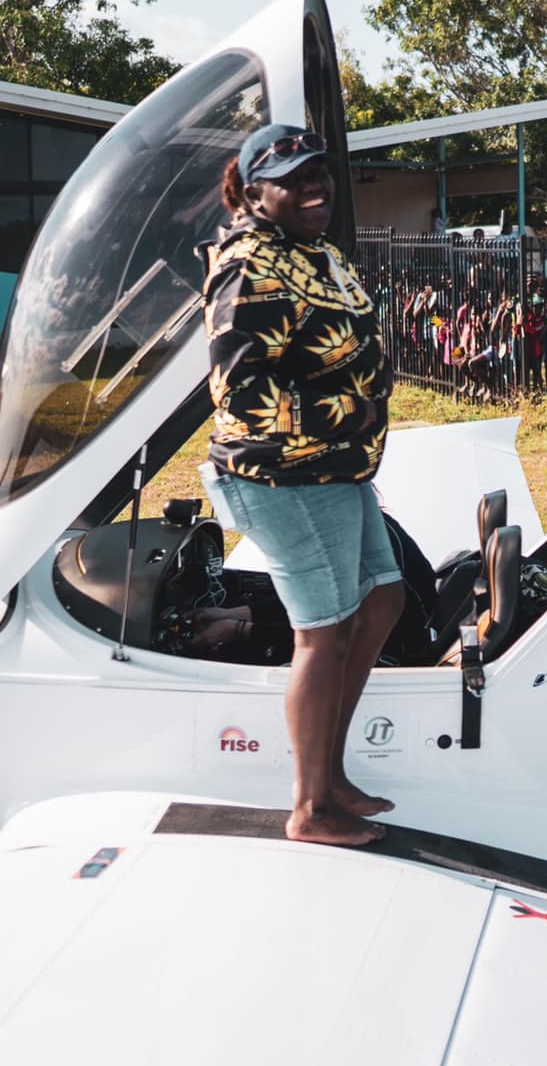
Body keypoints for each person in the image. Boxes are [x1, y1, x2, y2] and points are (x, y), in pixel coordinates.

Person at [201, 124, 403, 848]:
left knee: (382, 598)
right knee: (323, 633)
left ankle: (332, 770)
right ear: (254, 190)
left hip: (337, 467)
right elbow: (240, 390)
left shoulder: (313, 250)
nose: (315, 186)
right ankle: (311, 808)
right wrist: (354, 408)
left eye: (321, 172)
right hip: (284, 474)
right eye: (294, 177)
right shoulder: (252, 264)